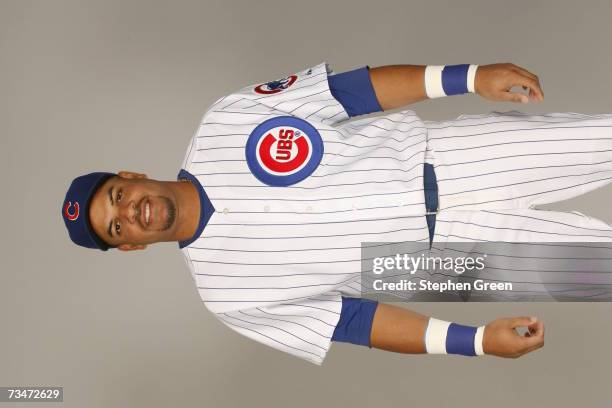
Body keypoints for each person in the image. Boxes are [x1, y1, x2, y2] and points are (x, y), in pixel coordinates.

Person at [61, 60, 585, 365]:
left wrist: (466, 76)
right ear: (128, 245)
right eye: (116, 227)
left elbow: (349, 94)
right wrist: (471, 342)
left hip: (443, 157)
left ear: (128, 177)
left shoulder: (226, 120)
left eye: (117, 197)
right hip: (432, 262)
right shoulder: (227, 296)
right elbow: (354, 320)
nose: (130, 213)